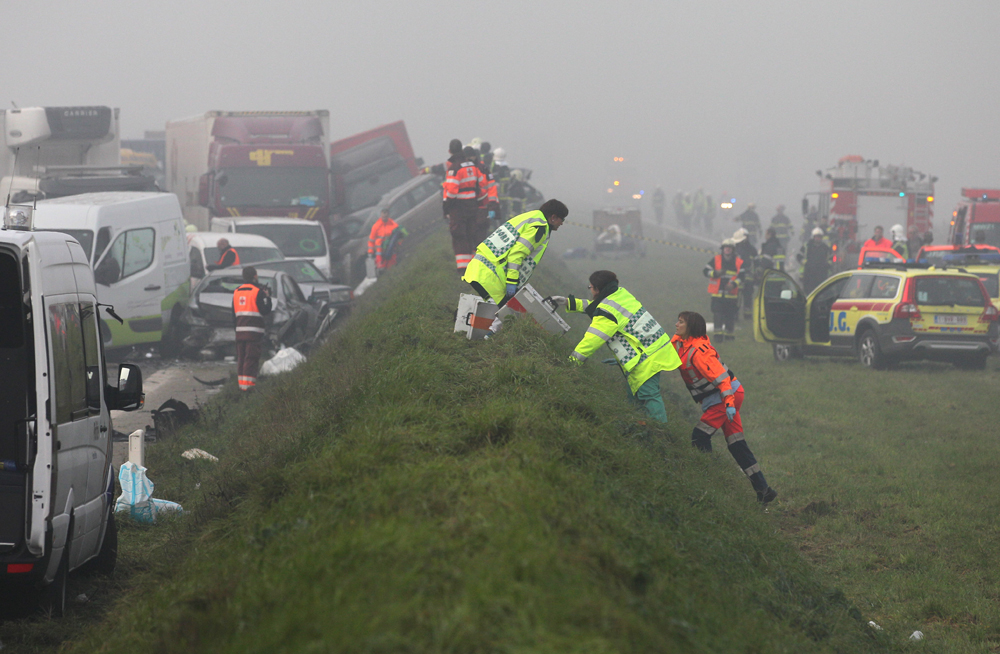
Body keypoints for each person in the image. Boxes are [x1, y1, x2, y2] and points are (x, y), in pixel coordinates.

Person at [671, 311, 777, 504]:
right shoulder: (681, 343)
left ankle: (710, 483)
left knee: (699, 437)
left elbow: (723, 380)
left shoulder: (700, 352)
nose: (676, 325)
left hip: (726, 397)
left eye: (680, 322)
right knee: (737, 444)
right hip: (722, 398)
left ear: (691, 328)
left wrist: (729, 405)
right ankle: (764, 490)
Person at [552, 270, 681, 423]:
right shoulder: (620, 294)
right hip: (655, 347)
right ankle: (642, 426)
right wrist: (568, 302)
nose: (590, 290)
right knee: (634, 396)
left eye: (591, 287)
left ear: (598, 289)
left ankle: (661, 433)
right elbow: (598, 306)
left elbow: (591, 340)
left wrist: (572, 363)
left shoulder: (607, 312)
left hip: (646, 357)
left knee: (648, 396)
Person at [462, 199, 569, 332]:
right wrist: (512, 282)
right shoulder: (539, 228)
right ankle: (486, 339)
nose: (562, 223)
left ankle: (474, 333)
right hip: (491, 275)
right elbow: (516, 255)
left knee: (502, 313)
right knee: (509, 316)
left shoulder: (531, 217)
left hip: (479, 267)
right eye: (562, 219)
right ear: (553, 217)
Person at [443, 140, 487, 273]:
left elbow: (451, 191)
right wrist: (479, 202)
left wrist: (446, 207)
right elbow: (481, 185)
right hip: (472, 206)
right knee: (472, 233)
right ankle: (476, 265)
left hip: (459, 208)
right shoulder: (472, 166)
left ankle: (463, 268)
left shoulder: (454, 168)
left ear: (450, 151)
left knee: (459, 235)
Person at [232, 266, 272, 392]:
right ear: (255, 276)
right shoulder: (258, 292)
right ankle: (248, 389)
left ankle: (241, 387)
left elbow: (233, 314)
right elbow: (265, 310)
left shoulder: (237, 291)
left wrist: (236, 330)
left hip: (240, 332)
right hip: (254, 333)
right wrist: (267, 297)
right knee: (252, 358)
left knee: (242, 359)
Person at [704, 238, 743, 340]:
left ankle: (729, 336)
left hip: (731, 295)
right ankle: (718, 336)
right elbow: (705, 271)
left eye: (729, 248)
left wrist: (733, 285)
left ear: (733, 249)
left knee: (730, 316)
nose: (727, 250)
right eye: (726, 248)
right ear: (722, 249)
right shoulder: (716, 259)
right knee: (717, 315)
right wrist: (715, 273)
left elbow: (742, 277)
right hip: (717, 294)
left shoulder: (738, 262)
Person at [797, 227, 831, 294]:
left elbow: (831, 258)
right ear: (813, 237)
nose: (818, 238)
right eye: (816, 237)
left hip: (821, 275)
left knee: (820, 292)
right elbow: (799, 256)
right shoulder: (807, 246)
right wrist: (806, 263)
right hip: (808, 274)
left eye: (819, 237)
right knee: (808, 292)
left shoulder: (825, 248)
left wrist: (827, 265)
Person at [732, 229, 757, 319]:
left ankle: (744, 315)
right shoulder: (736, 249)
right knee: (740, 297)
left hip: (745, 277)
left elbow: (756, 263)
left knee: (744, 297)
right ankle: (740, 315)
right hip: (741, 277)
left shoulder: (750, 249)